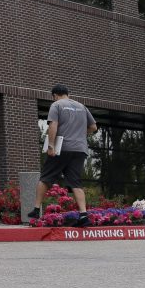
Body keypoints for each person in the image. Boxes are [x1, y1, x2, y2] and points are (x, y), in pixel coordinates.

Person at [28, 84, 97, 227]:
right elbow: (93, 127)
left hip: (62, 148)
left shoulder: (56, 105)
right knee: (75, 182)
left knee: (46, 177)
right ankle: (84, 215)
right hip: (80, 149)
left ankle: (36, 209)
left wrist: (51, 145)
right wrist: (79, 135)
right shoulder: (82, 106)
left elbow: (53, 125)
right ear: (67, 93)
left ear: (55, 95)